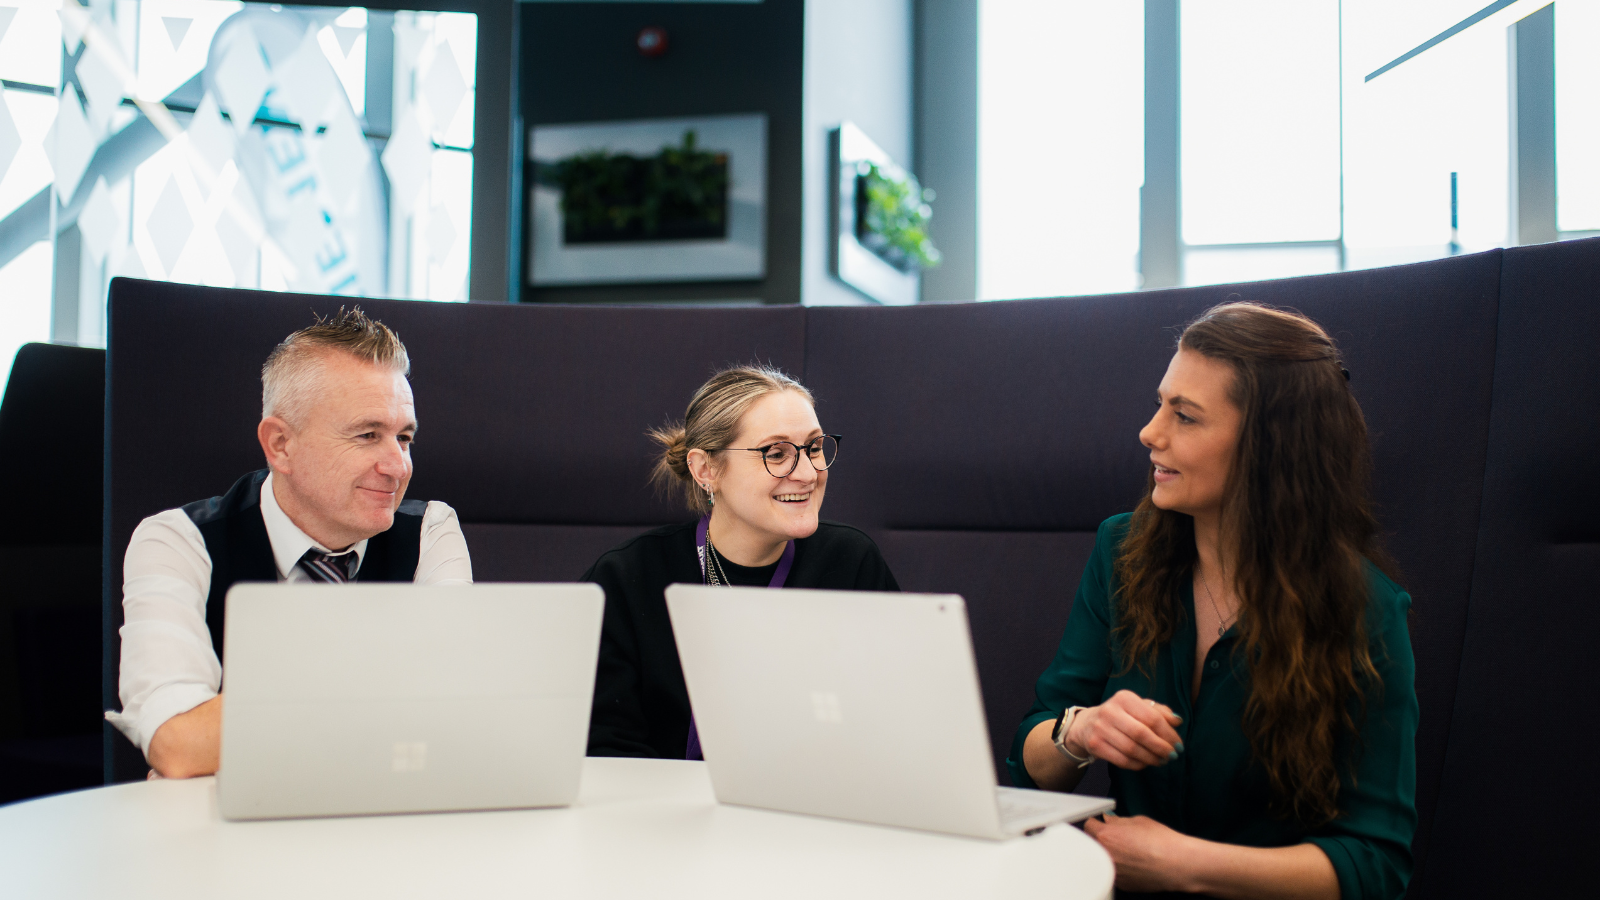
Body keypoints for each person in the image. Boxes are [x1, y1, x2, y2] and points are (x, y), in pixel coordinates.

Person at [1010, 303, 1416, 900]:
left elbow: (1375, 865)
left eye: (1186, 416)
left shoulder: (1365, 610)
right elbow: (1031, 758)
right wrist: (1084, 731)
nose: (1151, 432)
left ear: (1270, 447)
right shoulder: (1120, 549)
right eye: (1160, 403)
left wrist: (1185, 864)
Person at [108, 308, 473, 779]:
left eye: (404, 438)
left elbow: (459, 708)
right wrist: (391, 691)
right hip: (229, 836)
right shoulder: (177, 541)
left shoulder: (431, 531)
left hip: (389, 822)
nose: (398, 466)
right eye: (367, 435)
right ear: (280, 444)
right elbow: (178, 743)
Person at [585, 364, 899, 759]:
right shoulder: (627, 578)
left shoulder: (851, 564)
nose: (807, 473)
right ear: (706, 469)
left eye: (815, 448)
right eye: (775, 453)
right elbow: (603, 751)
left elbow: (895, 726)